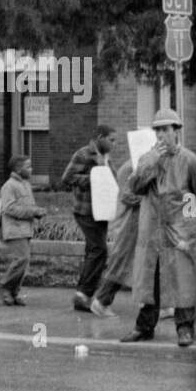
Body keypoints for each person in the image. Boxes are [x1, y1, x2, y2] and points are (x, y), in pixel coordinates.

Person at [121, 109, 196, 347]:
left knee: (183, 279)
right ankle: (144, 327)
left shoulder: (190, 161)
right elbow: (135, 188)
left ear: (176, 131)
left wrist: (187, 223)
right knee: (150, 279)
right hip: (152, 230)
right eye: (158, 130)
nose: (161, 135)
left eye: (165, 129)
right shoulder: (148, 158)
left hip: (179, 231)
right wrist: (150, 162)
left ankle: (185, 328)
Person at [62, 125, 117, 312]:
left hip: (102, 211)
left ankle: (83, 295)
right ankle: (83, 294)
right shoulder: (83, 154)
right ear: (100, 137)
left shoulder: (106, 157)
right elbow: (67, 178)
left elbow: (113, 179)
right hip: (86, 210)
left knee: (93, 251)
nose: (113, 144)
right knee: (99, 250)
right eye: (111, 140)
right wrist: (93, 178)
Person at [89, 160, 140, 318]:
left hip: (136, 222)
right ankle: (101, 300)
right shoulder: (133, 166)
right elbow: (127, 196)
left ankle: (161, 305)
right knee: (122, 263)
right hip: (130, 223)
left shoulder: (137, 164)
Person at [0, 156, 47, 305]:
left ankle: (13, 292)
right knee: (22, 259)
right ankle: (4, 286)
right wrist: (33, 212)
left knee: (24, 262)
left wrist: (36, 212)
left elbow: (27, 206)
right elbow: (9, 208)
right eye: (28, 167)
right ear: (18, 169)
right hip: (14, 229)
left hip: (25, 229)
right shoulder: (9, 186)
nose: (31, 169)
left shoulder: (25, 184)